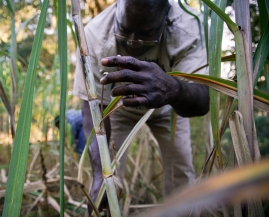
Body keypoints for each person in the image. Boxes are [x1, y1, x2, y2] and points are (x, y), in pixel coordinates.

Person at [73, 0, 209, 214]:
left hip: (169, 107)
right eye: (125, 31)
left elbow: (202, 101)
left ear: (166, 18)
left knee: (181, 172)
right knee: (108, 181)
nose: (134, 42)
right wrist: (100, 173)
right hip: (118, 110)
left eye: (147, 34)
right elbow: (92, 108)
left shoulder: (190, 28)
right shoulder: (94, 34)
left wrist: (172, 89)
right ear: (117, 9)